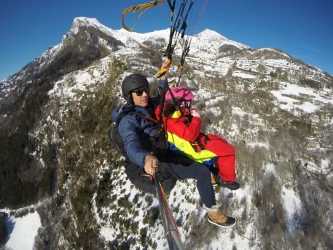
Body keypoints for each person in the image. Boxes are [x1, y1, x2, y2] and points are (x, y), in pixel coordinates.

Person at [111, 65, 236, 228]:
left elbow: (163, 98)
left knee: (202, 152)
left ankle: (212, 176)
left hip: (165, 149)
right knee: (202, 172)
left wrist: (162, 79)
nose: (145, 95)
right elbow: (131, 145)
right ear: (129, 96)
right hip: (157, 160)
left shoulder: (147, 105)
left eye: (146, 90)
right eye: (139, 93)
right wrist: (145, 158)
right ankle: (214, 213)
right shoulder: (128, 121)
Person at [155, 86, 240, 190]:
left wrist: (189, 114)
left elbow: (183, 125)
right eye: (187, 102)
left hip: (192, 144)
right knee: (228, 151)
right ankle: (227, 180)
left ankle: (218, 172)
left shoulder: (169, 114)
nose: (189, 105)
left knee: (220, 141)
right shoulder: (172, 121)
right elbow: (190, 135)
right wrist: (196, 119)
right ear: (180, 104)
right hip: (194, 150)